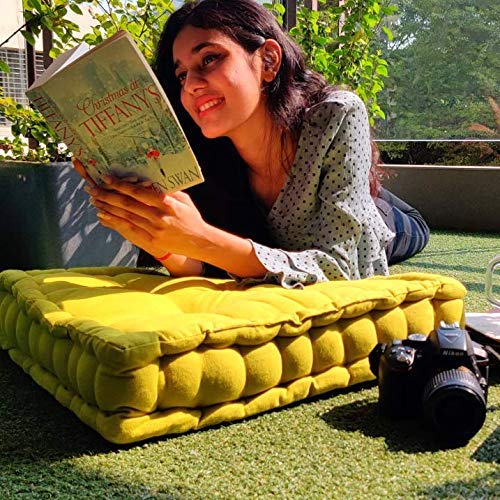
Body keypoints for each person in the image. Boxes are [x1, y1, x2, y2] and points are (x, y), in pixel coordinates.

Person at [75, 0, 429, 288]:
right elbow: (206, 266)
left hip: (381, 219)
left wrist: (201, 237)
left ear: (268, 61)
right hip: (293, 232)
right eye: (182, 74)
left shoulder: (334, 114)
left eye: (209, 58)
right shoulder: (205, 155)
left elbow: (345, 268)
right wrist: (159, 238)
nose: (191, 84)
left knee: (402, 229)